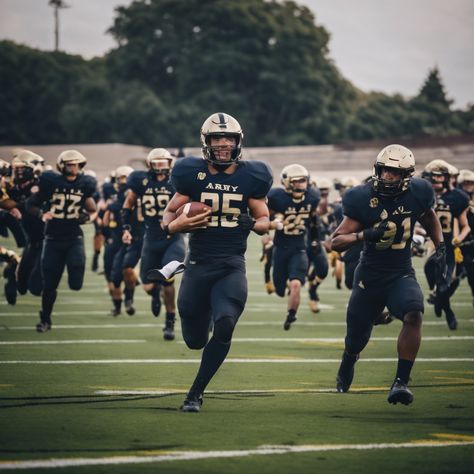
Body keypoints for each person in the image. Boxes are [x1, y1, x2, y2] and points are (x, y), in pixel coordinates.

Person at [157, 112, 272, 412]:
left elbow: (264, 219)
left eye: (228, 138)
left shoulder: (251, 176)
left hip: (231, 264)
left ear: (238, 142)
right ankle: (204, 316)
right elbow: (169, 213)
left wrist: (253, 223)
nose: (223, 144)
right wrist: (173, 227)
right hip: (197, 264)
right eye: (217, 138)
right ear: (205, 142)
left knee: (225, 324)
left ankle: (195, 392)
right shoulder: (190, 174)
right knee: (195, 340)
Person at [330, 144, 445, 405]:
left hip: (400, 272)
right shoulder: (362, 197)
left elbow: (429, 217)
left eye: (393, 172)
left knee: (414, 312)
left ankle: (401, 381)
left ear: (406, 176)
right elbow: (335, 242)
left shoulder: (419, 192)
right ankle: (348, 359)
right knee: (356, 339)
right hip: (369, 276)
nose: (387, 177)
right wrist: (364, 234)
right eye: (384, 171)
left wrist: (441, 246)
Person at [26, 150, 97, 332]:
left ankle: (46, 316)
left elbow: (92, 210)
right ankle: (45, 318)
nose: (73, 167)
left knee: (76, 280)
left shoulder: (84, 185)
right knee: (49, 284)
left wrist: (86, 218)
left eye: (75, 164)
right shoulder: (52, 183)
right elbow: (31, 204)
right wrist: (42, 213)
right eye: (69, 164)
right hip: (53, 238)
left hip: (74, 237)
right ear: (62, 166)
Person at [122, 148, 185, 339]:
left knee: (168, 276)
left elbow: (187, 205)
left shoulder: (176, 182)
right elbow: (128, 205)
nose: (160, 167)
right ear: (149, 165)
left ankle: (170, 321)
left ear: (170, 163)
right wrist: (126, 228)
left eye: (163, 163)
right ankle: (155, 291)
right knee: (149, 286)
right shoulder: (140, 181)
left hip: (172, 237)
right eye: (156, 163)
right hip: (150, 238)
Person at [267, 164, 320, 328]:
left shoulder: (312, 197)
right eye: (295, 181)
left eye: (303, 181)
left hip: (299, 248)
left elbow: (313, 221)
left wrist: (315, 240)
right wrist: (271, 225)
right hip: (280, 249)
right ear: (286, 182)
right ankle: (287, 290)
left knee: (296, 283)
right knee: (279, 290)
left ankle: (291, 315)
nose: (299, 184)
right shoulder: (276, 197)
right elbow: (263, 215)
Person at [422, 160, 470, 329]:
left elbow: (465, 226)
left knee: (444, 287)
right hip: (432, 245)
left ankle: (446, 310)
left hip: (449, 247)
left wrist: (459, 239)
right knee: (429, 269)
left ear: (446, 178)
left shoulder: (457, 198)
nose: (436, 180)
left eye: (439, 176)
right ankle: (437, 296)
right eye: (432, 177)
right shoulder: (422, 195)